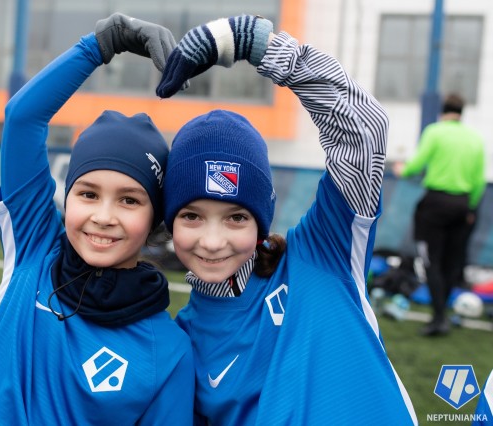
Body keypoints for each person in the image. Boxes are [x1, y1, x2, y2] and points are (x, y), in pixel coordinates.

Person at [156, 14, 418, 425]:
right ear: (169, 221)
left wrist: (253, 43)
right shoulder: (180, 341)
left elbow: (363, 129)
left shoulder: (321, 255)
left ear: (261, 222)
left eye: (236, 217)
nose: (212, 240)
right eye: (191, 216)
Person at [0, 14, 194, 425]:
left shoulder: (169, 351)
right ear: (67, 198)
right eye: (88, 194)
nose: (103, 217)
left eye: (129, 200)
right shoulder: (36, 249)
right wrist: (100, 45)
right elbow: (22, 118)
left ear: (155, 220)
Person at [394, 93, 486, 336]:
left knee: (431, 261)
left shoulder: (434, 132)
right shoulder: (475, 138)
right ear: (462, 112)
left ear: (442, 111)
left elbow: (416, 165)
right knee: (451, 263)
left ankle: (438, 318)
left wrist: (402, 170)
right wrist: (471, 208)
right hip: (463, 205)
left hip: (435, 204)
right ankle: (441, 314)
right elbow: (479, 181)